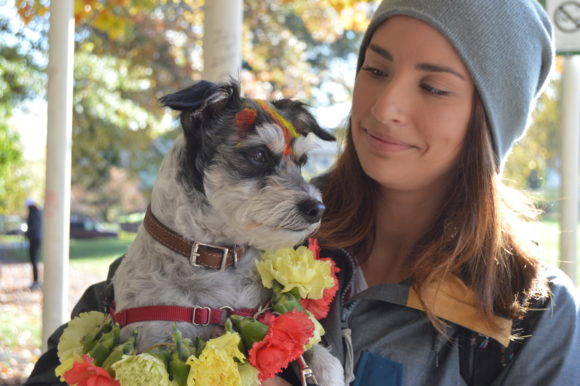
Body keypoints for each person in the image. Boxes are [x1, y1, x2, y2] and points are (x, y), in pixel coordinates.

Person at [25, 0, 579, 384]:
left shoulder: (528, 309)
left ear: (488, 122)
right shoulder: (240, 227)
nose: (385, 108)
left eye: (432, 87)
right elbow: (71, 362)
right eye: (376, 70)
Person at [25, 198, 42, 291]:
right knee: (34, 261)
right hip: (36, 239)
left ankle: (36, 282)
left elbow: (33, 228)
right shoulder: (37, 213)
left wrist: (28, 234)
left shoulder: (33, 214)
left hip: (34, 240)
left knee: (34, 261)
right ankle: (36, 281)